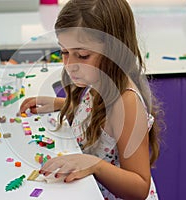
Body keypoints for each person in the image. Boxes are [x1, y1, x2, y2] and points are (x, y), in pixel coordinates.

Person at [19, 0, 164, 199]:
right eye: (64, 52)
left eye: (82, 55)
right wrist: (63, 104)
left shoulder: (126, 104)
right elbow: (96, 115)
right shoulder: (99, 82)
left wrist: (94, 165)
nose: (70, 64)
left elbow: (139, 187)